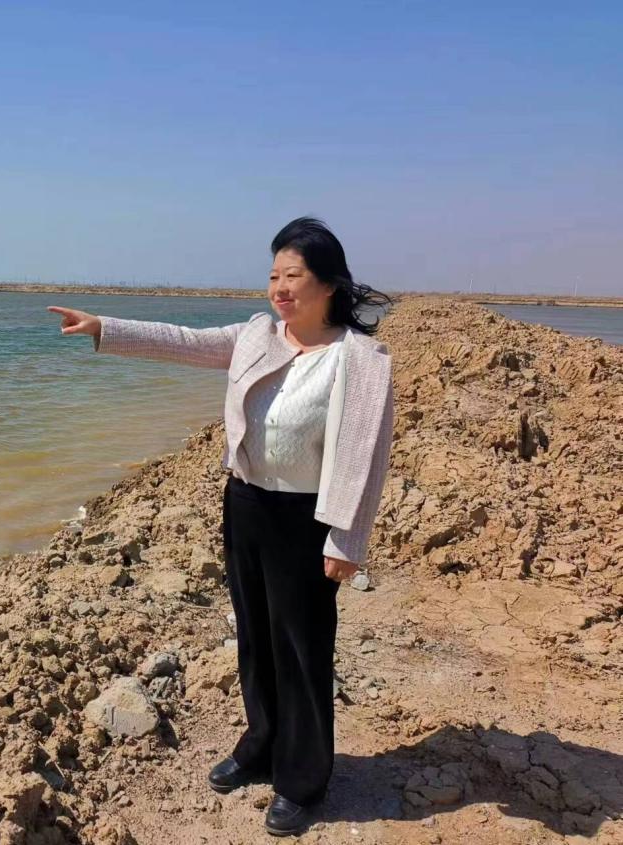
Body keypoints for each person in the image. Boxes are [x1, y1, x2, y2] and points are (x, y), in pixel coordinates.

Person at [46, 217, 396, 837]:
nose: (279, 287)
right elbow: (185, 341)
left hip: (307, 517)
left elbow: (366, 458)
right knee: (255, 637)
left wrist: (347, 539)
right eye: (273, 275)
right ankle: (260, 746)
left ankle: (303, 780)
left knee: (302, 649)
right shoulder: (258, 335)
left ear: (329, 284)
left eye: (293, 275)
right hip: (247, 504)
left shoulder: (359, 359)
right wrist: (105, 327)